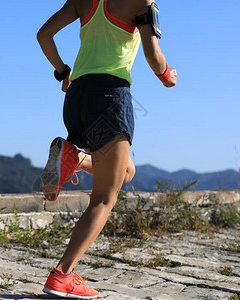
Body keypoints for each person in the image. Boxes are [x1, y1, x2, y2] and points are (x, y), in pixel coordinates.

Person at [37, 0, 177, 298]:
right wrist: (167, 76)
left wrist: (63, 72)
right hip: (110, 97)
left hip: (76, 98)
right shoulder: (142, 2)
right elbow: (154, 57)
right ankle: (63, 274)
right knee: (102, 198)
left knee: (126, 170)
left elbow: (44, 35)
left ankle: (75, 157)